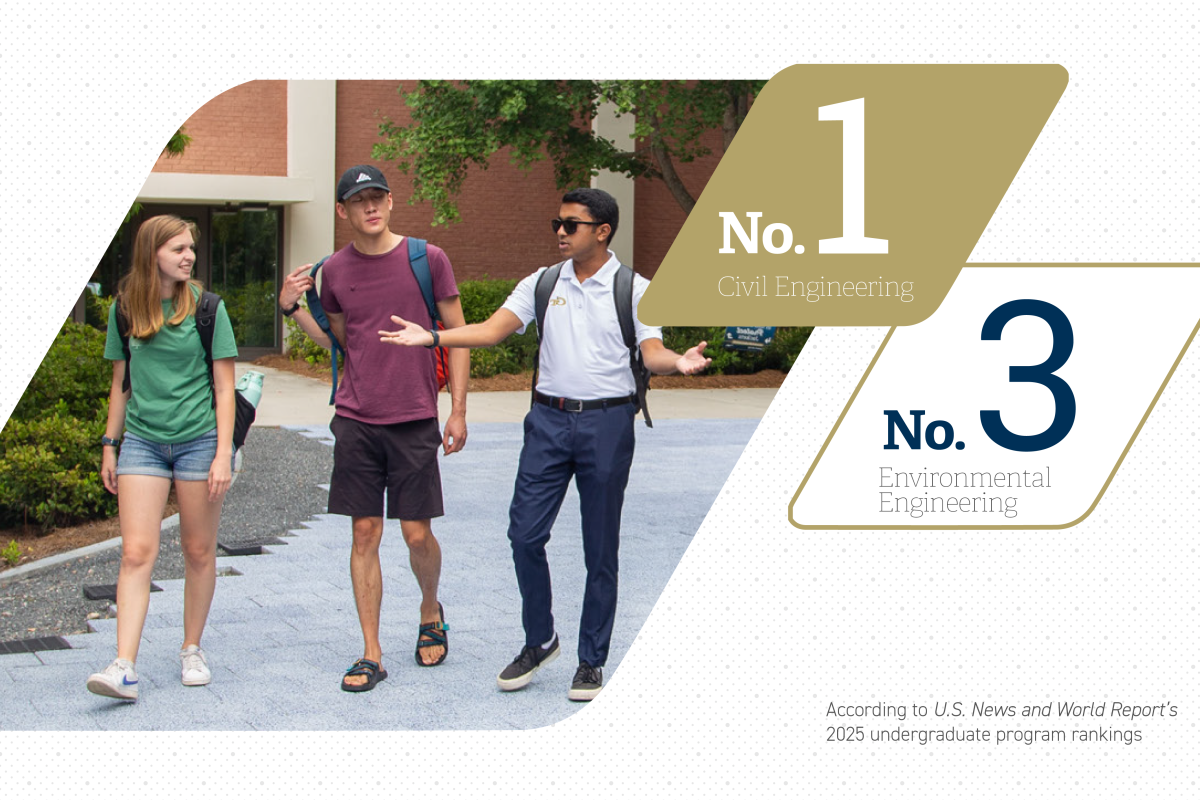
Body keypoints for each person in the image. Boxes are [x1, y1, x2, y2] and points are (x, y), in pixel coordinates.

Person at [380, 187, 710, 701]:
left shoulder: (635, 289)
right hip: (547, 424)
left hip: (607, 425)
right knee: (524, 536)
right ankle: (540, 640)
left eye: (571, 224)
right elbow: (491, 331)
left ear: (602, 231)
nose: (560, 232)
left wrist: (679, 363)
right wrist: (433, 338)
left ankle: (591, 660)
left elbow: (654, 351)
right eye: (556, 222)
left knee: (600, 549)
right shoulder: (542, 283)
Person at [278, 164, 469, 692]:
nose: (371, 207)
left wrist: (457, 410)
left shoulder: (427, 259)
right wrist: (293, 309)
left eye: (378, 197)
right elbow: (343, 341)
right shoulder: (334, 271)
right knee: (365, 532)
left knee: (416, 533)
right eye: (359, 200)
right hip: (357, 418)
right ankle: (371, 653)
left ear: (390, 201)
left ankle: (430, 608)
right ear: (343, 211)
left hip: (412, 418)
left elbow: (457, 336)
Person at [86, 215, 238, 702]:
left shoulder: (209, 308)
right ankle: (123, 665)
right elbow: (119, 384)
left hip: (198, 441)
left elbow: (224, 387)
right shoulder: (126, 307)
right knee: (136, 553)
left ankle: (191, 647)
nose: (188, 256)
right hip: (143, 443)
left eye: (190, 248)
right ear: (152, 252)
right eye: (177, 248)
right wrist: (111, 445)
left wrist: (222, 454)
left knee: (197, 550)